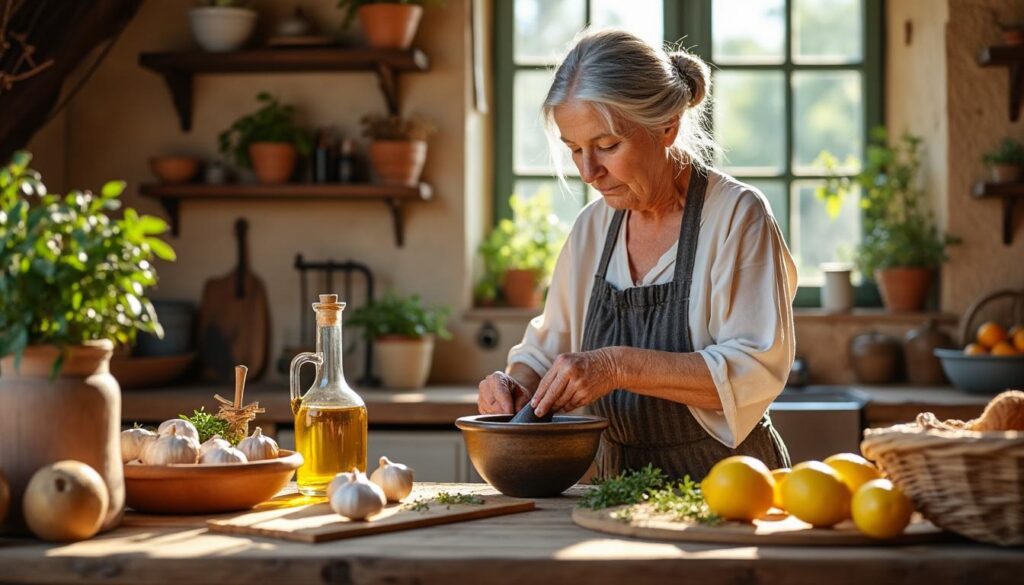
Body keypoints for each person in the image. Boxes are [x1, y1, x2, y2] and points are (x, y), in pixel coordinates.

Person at [476, 29, 797, 481]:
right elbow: (546, 353)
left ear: (667, 126)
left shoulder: (736, 217)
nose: (589, 172)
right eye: (575, 150)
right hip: (619, 489)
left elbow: (752, 369)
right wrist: (514, 386)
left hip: (732, 486)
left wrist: (617, 366)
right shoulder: (593, 228)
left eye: (607, 146)